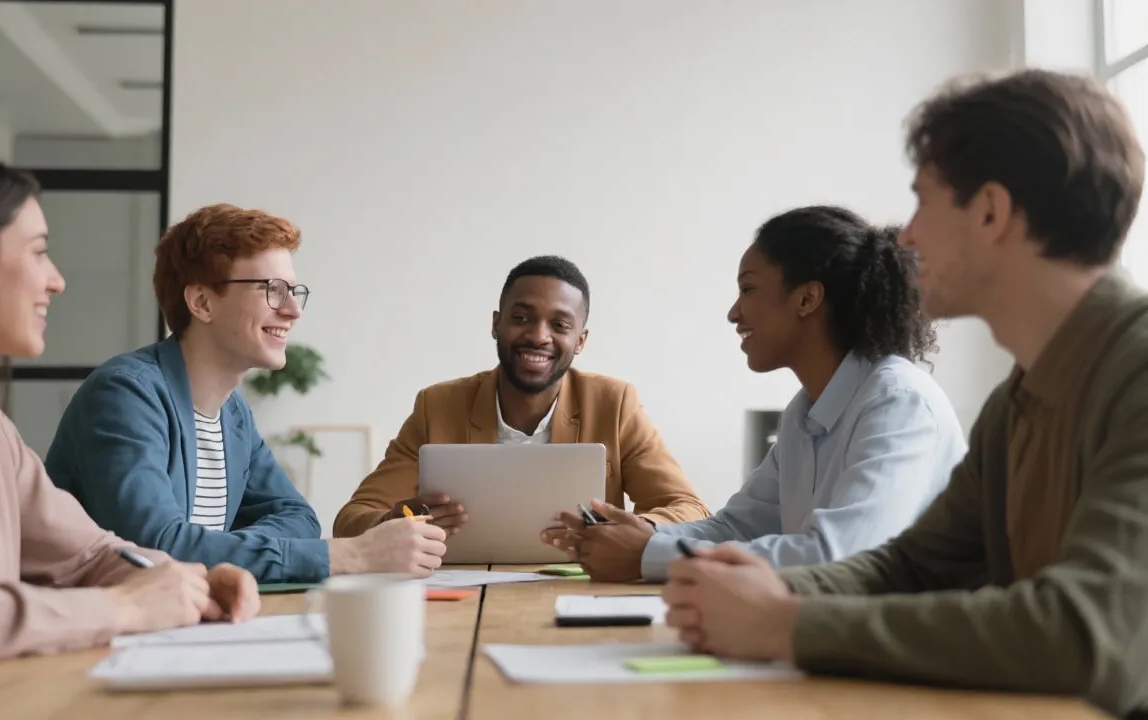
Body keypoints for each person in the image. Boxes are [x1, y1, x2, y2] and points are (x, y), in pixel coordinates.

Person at [662, 69, 1148, 717]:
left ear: (990, 212)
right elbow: (911, 568)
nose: (906, 236)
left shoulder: (1136, 373)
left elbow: (1088, 635)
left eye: (922, 203)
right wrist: (773, 589)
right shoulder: (1016, 402)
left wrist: (786, 623)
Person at [0, 149, 261, 695]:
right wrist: (123, 607)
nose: (56, 281)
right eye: (38, 252)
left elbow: (89, 555)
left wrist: (185, 582)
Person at [553, 206, 966, 583]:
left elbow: (838, 557)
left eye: (748, 289)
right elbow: (735, 527)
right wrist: (643, 534)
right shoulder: (804, 413)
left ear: (807, 298)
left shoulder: (899, 401)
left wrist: (649, 554)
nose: (734, 313)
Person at [46, 204, 446, 583]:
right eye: (272, 289)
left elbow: (299, 518)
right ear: (202, 302)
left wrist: (219, 550)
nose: (293, 310)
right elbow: (155, 548)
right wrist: (351, 555)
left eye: (294, 291)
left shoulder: (232, 412)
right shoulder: (126, 395)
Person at [332, 255, 711, 538]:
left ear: (580, 341)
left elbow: (690, 509)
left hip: (576, 585)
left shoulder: (614, 404)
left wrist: (631, 528)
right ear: (496, 324)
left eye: (559, 324)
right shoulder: (438, 406)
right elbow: (352, 518)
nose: (539, 336)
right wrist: (394, 522)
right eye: (522, 318)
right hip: (463, 588)